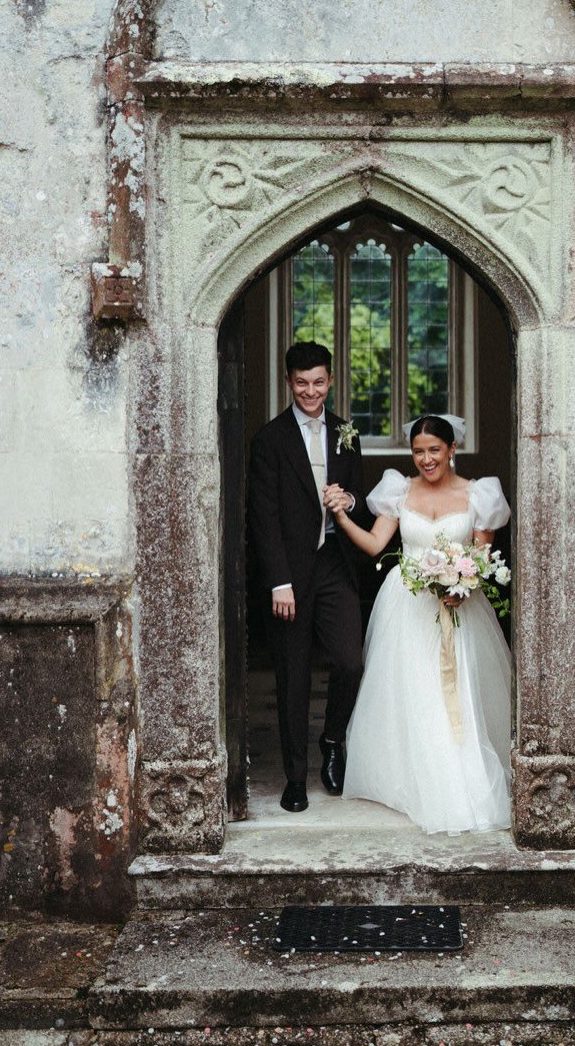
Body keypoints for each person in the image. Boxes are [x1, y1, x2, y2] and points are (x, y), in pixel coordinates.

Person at [325, 413, 512, 835]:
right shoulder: (398, 490)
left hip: (457, 606)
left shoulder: (479, 494)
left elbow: (481, 556)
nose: (426, 459)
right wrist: (341, 518)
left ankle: (455, 780)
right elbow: (376, 544)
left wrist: (463, 586)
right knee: (411, 690)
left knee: (454, 692)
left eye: (434, 450)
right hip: (406, 604)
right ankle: (411, 778)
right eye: (418, 451)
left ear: (451, 450)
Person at [248, 342, 367, 814]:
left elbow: (358, 491)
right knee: (292, 676)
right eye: (301, 383)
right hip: (291, 573)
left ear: (331, 381)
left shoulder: (346, 433)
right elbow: (263, 516)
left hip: (335, 562)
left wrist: (350, 501)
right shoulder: (269, 439)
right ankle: (295, 777)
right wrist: (279, 581)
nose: (310, 391)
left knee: (350, 661)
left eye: (319, 382)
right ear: (288, 382)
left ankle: (332, 739)